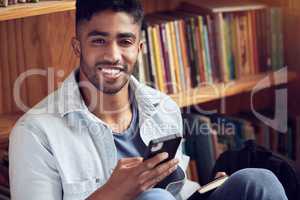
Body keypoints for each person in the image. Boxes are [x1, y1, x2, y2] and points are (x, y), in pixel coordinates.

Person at [9, 0, 288, 200]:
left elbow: (177, 190)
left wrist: (209, 189)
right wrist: (111, 194)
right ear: (77, 46)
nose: (113, 55)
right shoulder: (35, 132)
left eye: (125, 41)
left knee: (257, 180)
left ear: (140, 48)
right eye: (98, 41)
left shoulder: (163, 108)